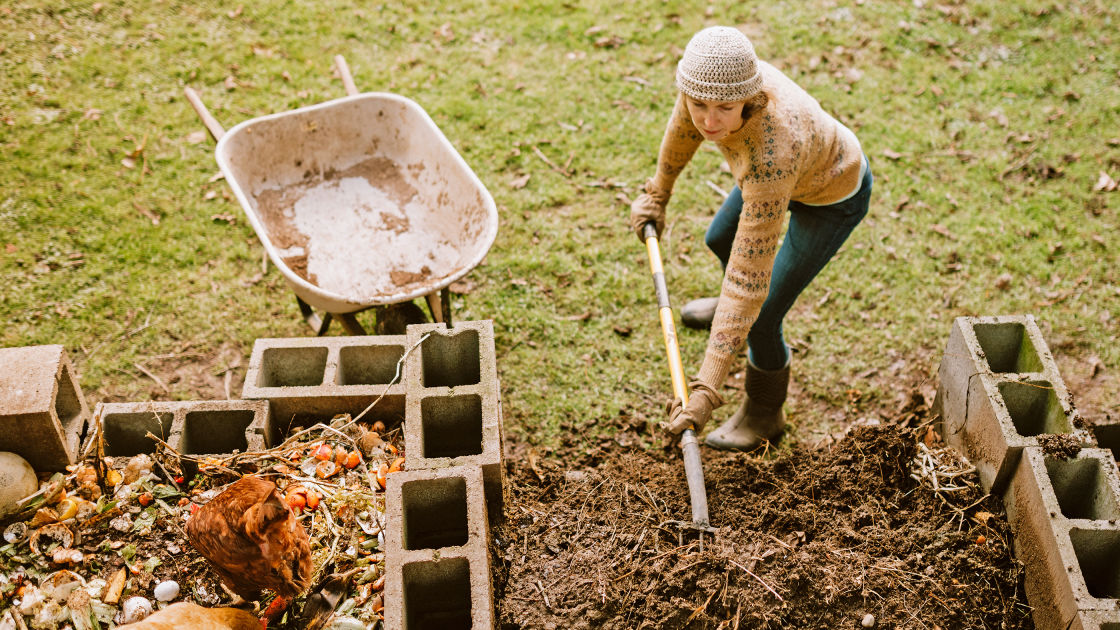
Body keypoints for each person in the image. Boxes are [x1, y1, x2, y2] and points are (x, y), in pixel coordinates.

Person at [630, 26, 873, 451]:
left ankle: (766, 410)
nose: (709, 120)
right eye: (699, 105)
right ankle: (731, 325)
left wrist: (705, 389)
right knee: (720, 238)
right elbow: (681, 132)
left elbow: (747, 281)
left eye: (725, 108)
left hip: (832, 194)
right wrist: (658, 194)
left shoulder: (772, 153)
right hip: (790, 175)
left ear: (749, 97)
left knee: (761, 312)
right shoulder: (706, 85)